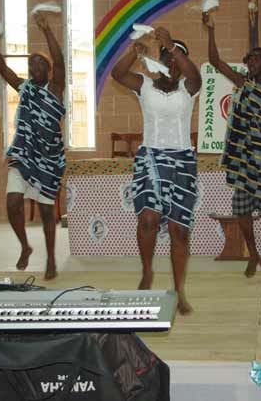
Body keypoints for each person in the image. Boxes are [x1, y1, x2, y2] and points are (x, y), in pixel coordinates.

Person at [202, 9, 261, 279]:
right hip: (246, 160)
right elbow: (215, 61)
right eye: (249, 60)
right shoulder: (242, 83)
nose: (252, 62)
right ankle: (253, 253)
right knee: (242, 209)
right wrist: (211, 29)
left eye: (257, 59)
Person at [110, 28, 202, 314]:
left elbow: (195, 75)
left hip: (183, 160)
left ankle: (179, 290)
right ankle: (147, 271)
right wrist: (135, 51)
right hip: (151, 156)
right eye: (168, 58)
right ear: (159, 61)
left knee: (179, 231)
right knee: (149, 219)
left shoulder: (189, 87)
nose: (173, 63)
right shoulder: (144, 85)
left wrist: (171, 45)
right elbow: (117, 74)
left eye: (178, 58)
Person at [0, 11, 66, 280]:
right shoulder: (26, 88)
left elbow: (60, 60)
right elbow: (2, 69)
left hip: (48, 159)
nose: (35, 66)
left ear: (48, 70)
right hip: (24, 154)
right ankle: (25, 246)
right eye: (32, 64)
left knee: (46, 211)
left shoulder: (55, 88)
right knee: (12, 202)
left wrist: (47, 30)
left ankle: (51, 258)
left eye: (40, 63)